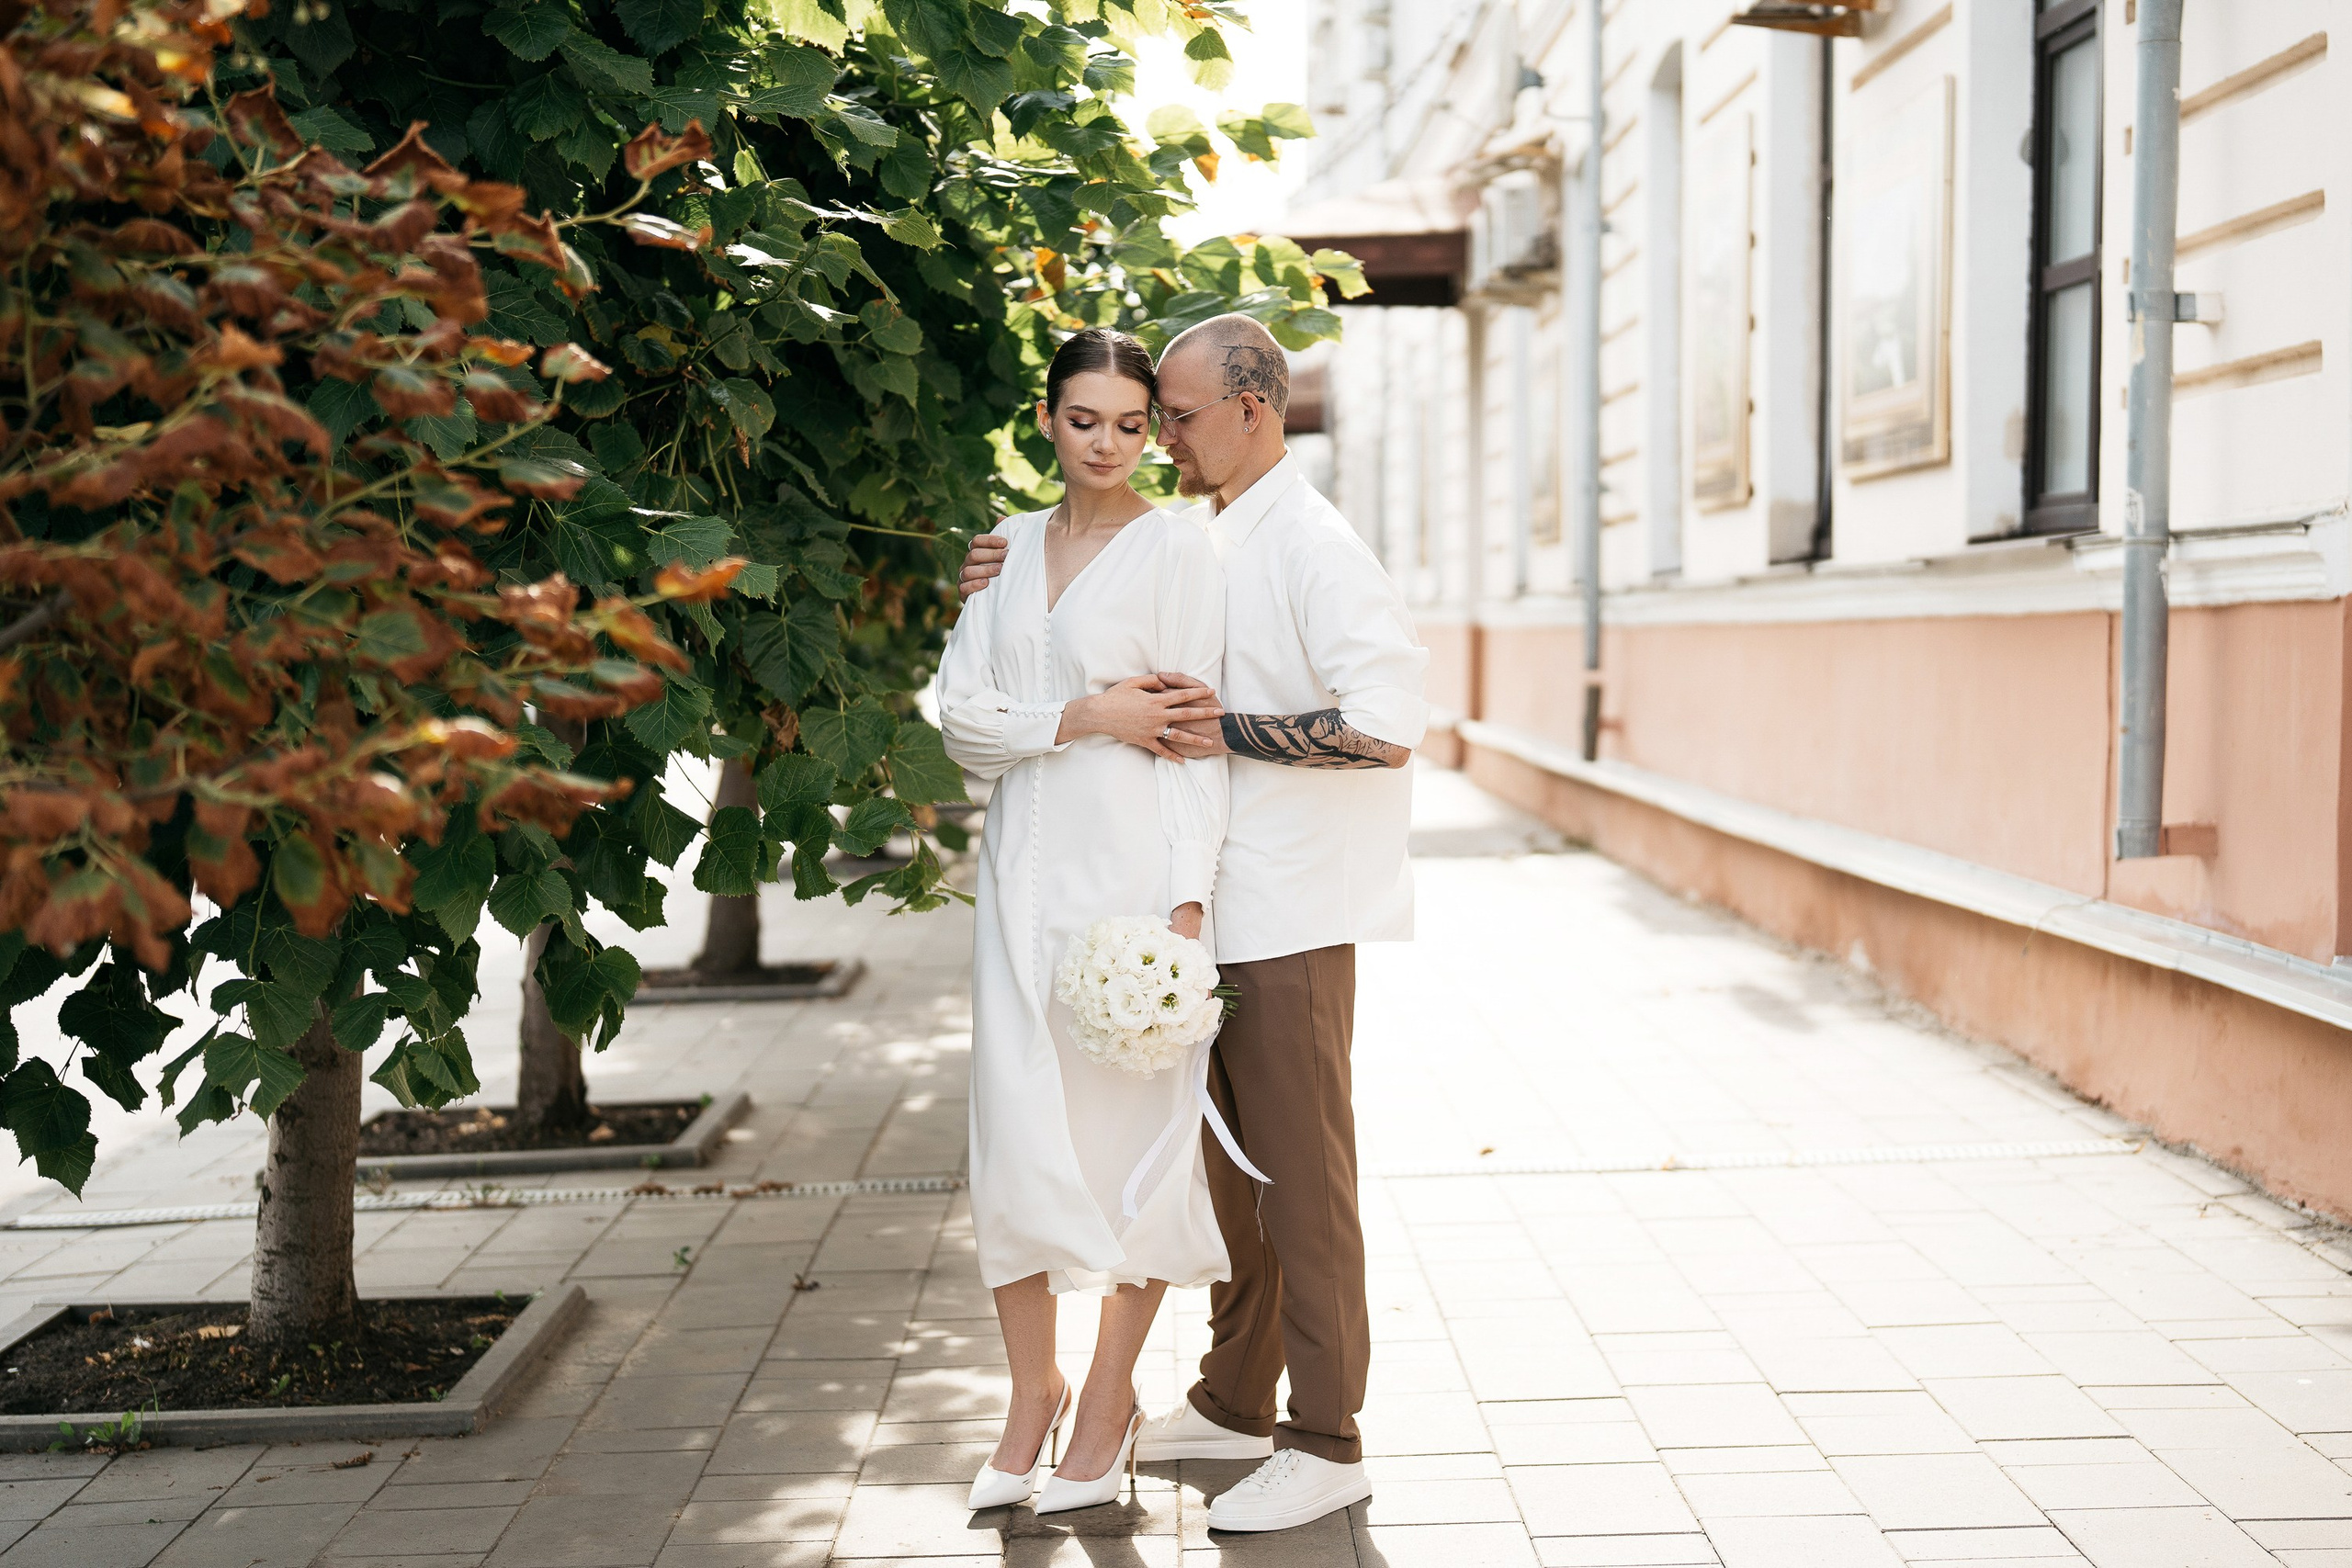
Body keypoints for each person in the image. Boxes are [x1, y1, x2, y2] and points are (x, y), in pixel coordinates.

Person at [957, 314, 1430, 1533]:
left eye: (1173, 413)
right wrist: (1005, 575)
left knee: (1301, 1184)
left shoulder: (1315, 544)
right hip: (1210, 908)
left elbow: (1386, 722)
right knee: (1223, 1171)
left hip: (1288, 910)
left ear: (1252, 409)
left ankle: (1328, 1440)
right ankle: (1232, 1401)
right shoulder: (1218, 528)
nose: (1156, 434)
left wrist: (1224, 732)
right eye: (1135, 414)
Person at [935, 328, 1236, 1517]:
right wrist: (1089, 715)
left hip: (1132, 894)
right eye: (1082, 420)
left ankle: (1107, 1404)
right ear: (1048, 417)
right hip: (1018, 888)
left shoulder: (1178, 553)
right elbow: (964, 725)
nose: (1106, 444)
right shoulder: (1002, 551)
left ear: (1150, 429)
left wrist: (1185, 917)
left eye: (1128, 423)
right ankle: (1032, 1394)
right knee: (1011, 1147)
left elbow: (1196, 748)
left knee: (1135, 1156)